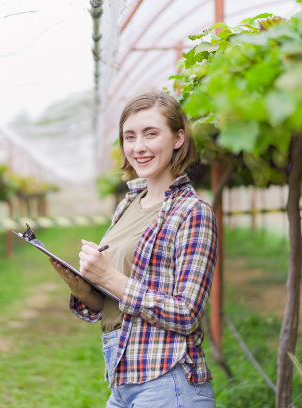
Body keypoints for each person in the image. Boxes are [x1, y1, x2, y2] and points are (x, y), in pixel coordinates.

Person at [49, 91, 218, 407]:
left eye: (150, 134)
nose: (138, 147)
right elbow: (115, 304)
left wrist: (109, 277)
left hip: (168, 379)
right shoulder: (127, 205)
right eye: (129, 137)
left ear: (178, 138)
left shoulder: (192, 212)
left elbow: (187, 313)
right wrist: (85, 288)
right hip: (122, 378)